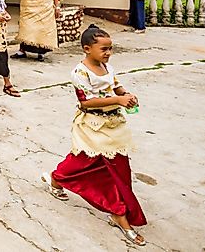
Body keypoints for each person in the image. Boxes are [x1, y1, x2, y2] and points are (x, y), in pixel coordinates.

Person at [41, 25, 146, 246]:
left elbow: (116, 87)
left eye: (110, 49)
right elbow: (86, 101)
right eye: (104, 49)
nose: (108, 53)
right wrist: (117, 100)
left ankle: (119, 212)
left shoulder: (107, 67)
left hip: (113, 124)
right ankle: (56, 178)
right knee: (81, 162)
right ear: (87, 49)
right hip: (91, 125)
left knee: (118, 167)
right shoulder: (80, 72)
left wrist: (126, 95)